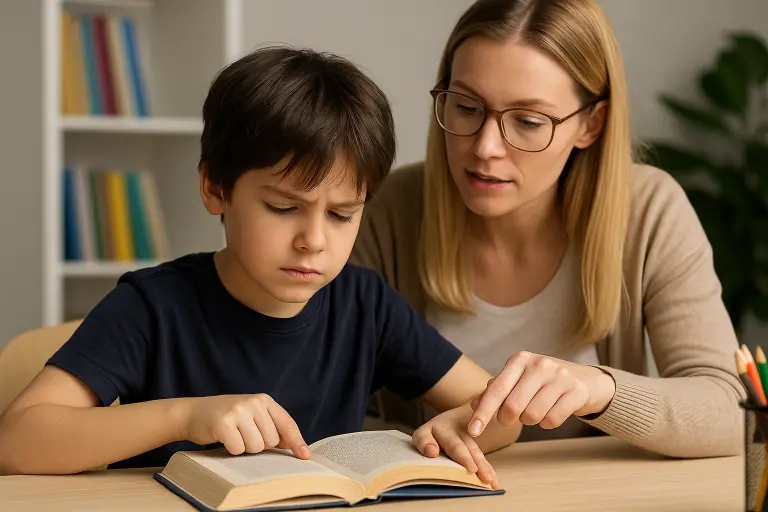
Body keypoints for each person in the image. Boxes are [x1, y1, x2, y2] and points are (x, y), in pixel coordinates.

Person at [0, 46, 526, 486]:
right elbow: (17, 441)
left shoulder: (365, 303)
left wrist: (462, 426)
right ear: (215, 188)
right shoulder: (151, 306)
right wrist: (185, 415)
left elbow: (498, 412)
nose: (313, 241)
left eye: (343, 215)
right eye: (282, 208)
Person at [352, 0, 744, 458]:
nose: (485, 148)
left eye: (528, 121)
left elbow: (731, 411)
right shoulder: (384, 211)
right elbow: (329, 405)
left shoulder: (650, 210)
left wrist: (600, 390)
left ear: (591, 124)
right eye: (466, 107)